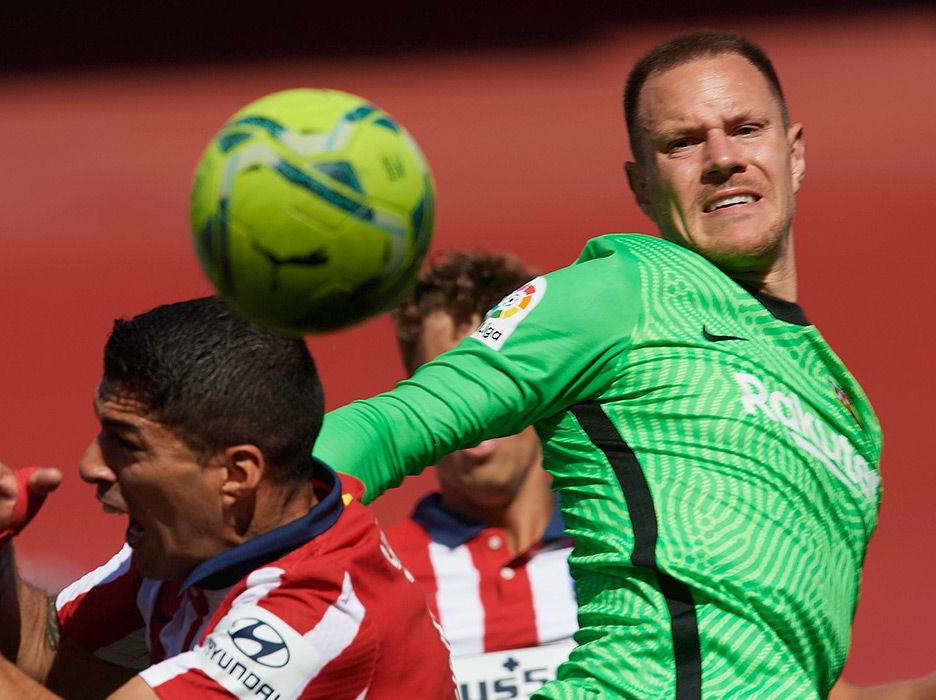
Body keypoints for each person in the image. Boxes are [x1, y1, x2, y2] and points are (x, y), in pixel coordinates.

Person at [313, 32, 883, 698]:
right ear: (640, 185)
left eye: (745, 128)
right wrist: (231, 557)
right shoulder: (621, 290)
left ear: (794, 151)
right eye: (682, 143)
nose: (722, 158)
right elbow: (391, 425)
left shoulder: (849, 411)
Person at [0, 296, 457, 699]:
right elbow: (41, 656)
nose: (90, 466)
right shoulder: (209, 545)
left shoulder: (314, 621)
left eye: (126, 443)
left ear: (238, 473)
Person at [387, 251, 576, 653]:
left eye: (493, 378)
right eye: (443, 384)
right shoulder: (379, 580)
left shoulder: (622, 544)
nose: (472, 411)